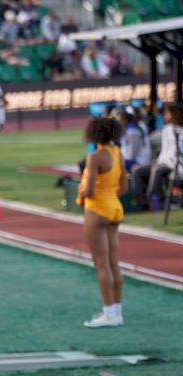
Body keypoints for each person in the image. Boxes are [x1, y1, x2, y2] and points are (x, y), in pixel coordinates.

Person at [76, 117, 126, 328]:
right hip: (114, 207)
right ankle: (117, 312)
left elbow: (89, 190)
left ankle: (108, 313)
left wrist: (80, 194)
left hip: (97, 209)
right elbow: (123, 187)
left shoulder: (94, 157)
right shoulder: (117, 153)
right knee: (113, 263)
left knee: (101, 263)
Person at [132, 103, 181, 210]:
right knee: (138, 171)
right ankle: (140, 203)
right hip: (163, 163)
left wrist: (163, 164)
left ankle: (152, 200)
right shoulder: (167, 129)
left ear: (175, 114)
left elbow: (177, 153)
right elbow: (165, 151)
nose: (164, 117)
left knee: (157, 170)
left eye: (167, 114)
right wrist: (158, 162)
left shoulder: (180, 131)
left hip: (177, 165)